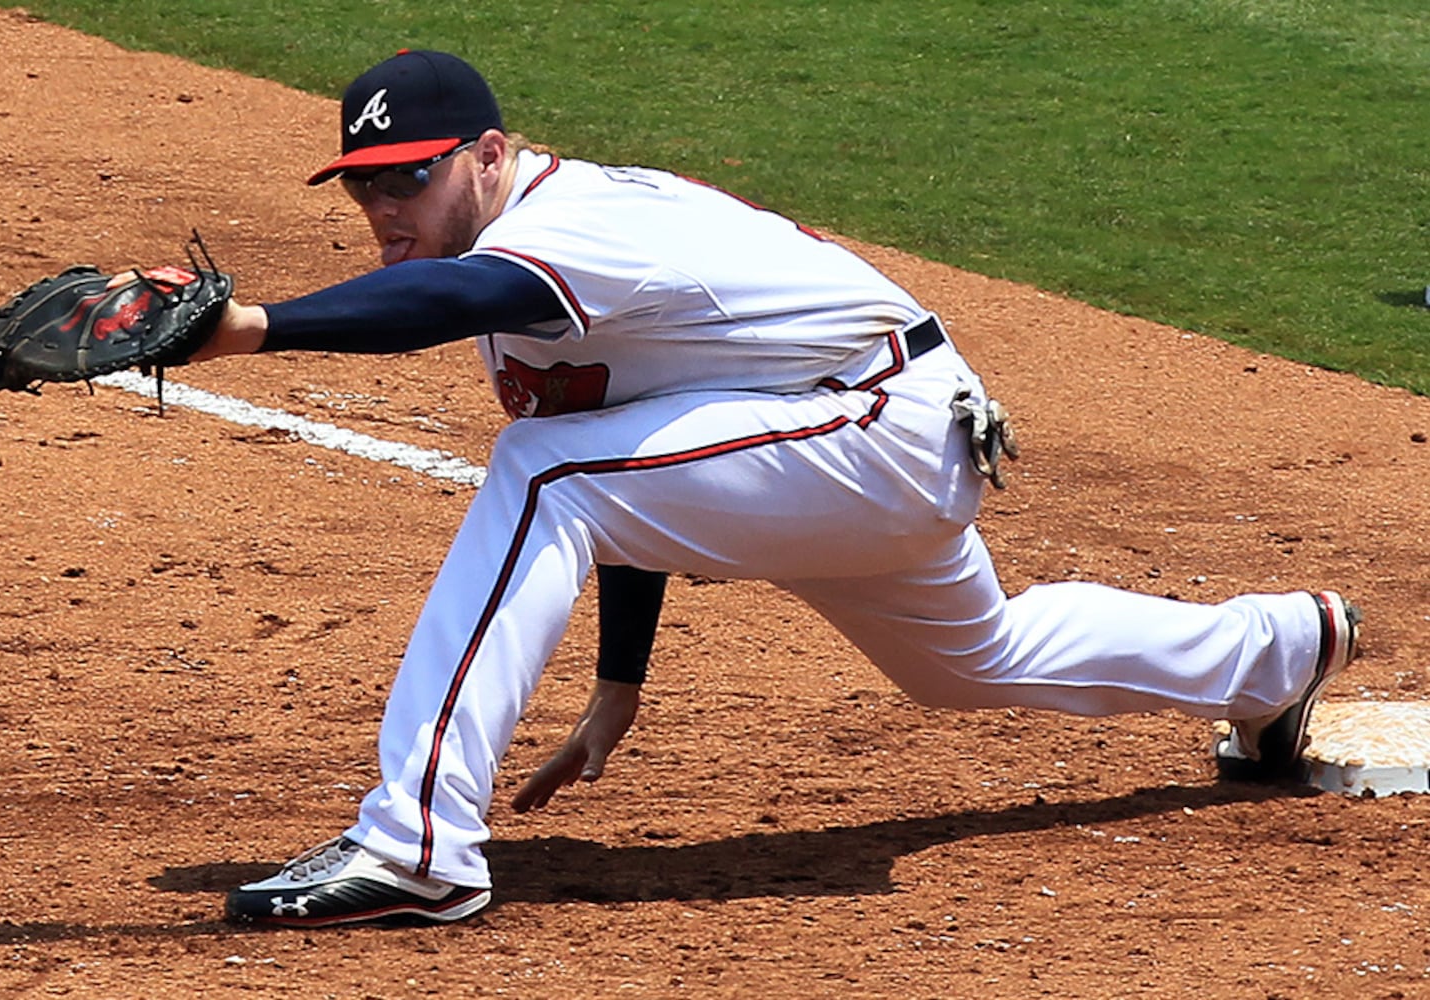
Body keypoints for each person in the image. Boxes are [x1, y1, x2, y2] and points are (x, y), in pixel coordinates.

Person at [189, 49, 1360, 927]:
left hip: (877, 422)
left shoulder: (575, 222)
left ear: (489, 156)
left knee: (540, 476)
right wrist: (617, 680)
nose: (383, 208)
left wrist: (251, 327)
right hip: (859, 436)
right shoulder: (499, 257)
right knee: (972, 661)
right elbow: (615, 443)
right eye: (362, 188)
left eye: (410, 177)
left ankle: (417, 846)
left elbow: (447, 325)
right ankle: (1278, 652)